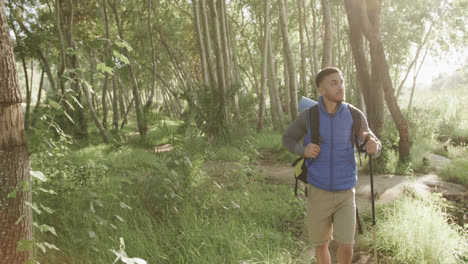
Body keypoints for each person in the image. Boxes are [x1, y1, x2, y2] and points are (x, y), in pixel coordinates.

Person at [282, 67, 382, 264]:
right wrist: (303, 150)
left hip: (346, 192)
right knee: (321, 245)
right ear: (321, 90)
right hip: (319, 191)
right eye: (333, 83)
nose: (340, 87)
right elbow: (287, 139)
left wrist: (373, 146)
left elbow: (372, 142)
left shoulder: (354, 115)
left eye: (341, 82)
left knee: (346, 245)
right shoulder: (309, 116)